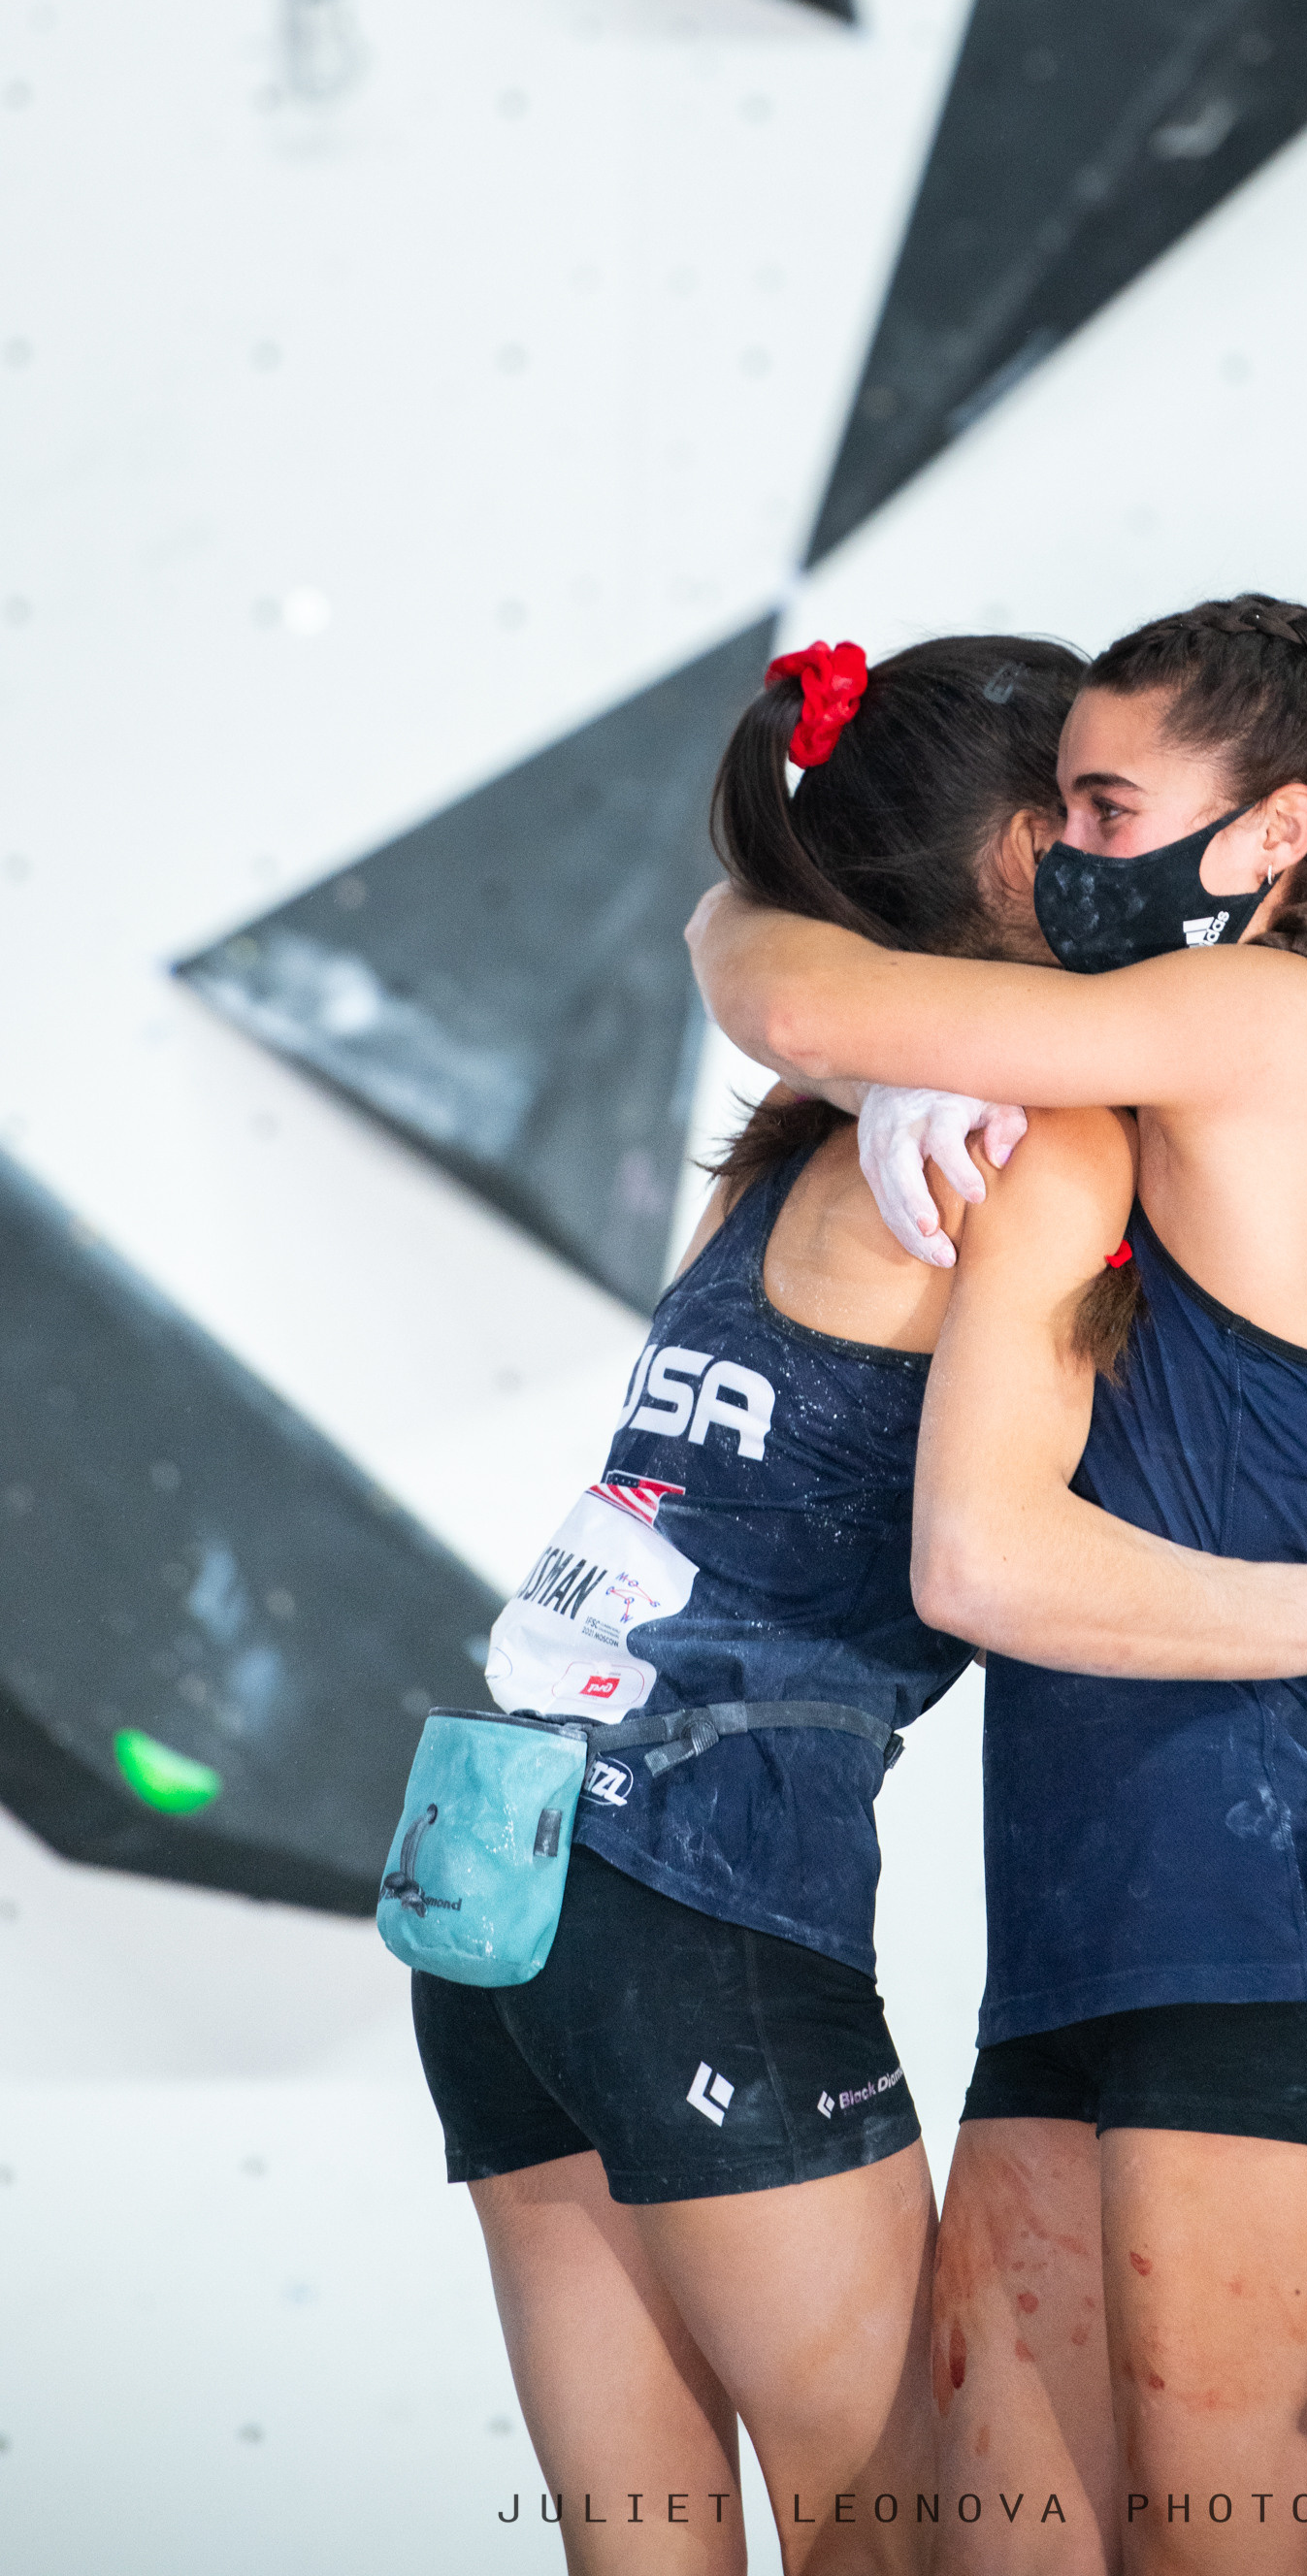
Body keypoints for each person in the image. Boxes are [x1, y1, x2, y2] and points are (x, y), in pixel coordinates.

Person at [689, 594, 1307, 2574]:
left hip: (1240, 1942)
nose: (1065, 860)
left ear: (1262, 836)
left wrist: (721, 910)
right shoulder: (1142, 1097)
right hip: (1069, 1955)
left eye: (1102, 809)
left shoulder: (1257, 1011)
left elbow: (807, 1004)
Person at [409, 633, 1087, 2576]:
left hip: (497, 1855)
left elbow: (749, 935)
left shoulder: (794, 1133)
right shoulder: (984, 1150)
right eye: (1106, 817)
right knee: (906, 2534)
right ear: (1032, 853)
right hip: (698, 1891)